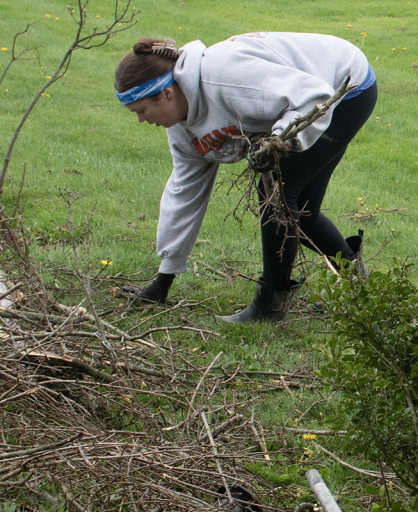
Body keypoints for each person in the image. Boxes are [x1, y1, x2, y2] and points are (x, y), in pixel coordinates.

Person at [115, 32, 377, 323]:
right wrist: (162, 282)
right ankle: (360, 286)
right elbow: (185, 192)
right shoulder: (181, 129)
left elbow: (313, 95)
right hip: (315, 93)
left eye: (140, 110)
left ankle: (270, 307)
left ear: (166, 93)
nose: (140, 120)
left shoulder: (224, 78)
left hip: (345, 85)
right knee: (302, 207)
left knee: (277, 190)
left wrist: (277, 142)